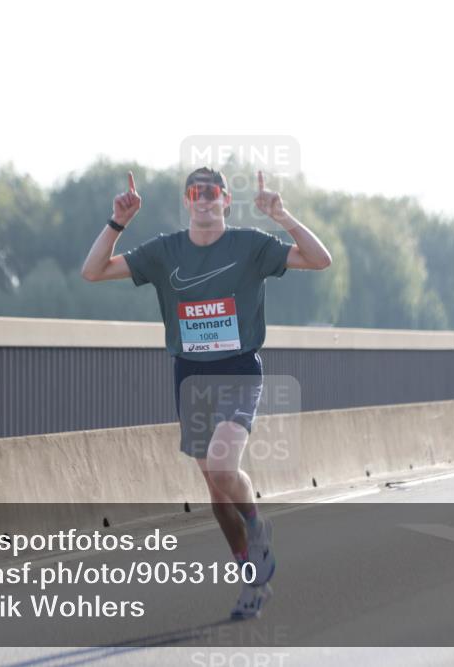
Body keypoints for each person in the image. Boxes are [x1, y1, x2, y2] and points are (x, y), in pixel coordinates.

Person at [81, 167, 332, 619]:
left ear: (224, 201)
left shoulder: (250, 246)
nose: (203, 199)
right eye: (194, 193)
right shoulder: (165, 251)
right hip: (190, 377)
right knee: (217, 495)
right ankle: (251, 580)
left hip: (238, 371)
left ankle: (257, 526)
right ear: (186, 200)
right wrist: (118, 222)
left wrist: (283, 216)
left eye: (211, 192)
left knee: (222, 464)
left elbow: (319, 260)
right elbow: (93, 271)